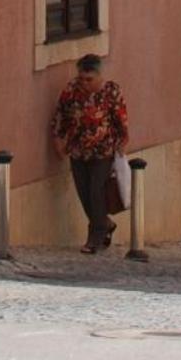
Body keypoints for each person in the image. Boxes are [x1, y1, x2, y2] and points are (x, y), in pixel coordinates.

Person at [52, 54, 129, 254]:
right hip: (78, 151)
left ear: (99, 76)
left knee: (96, 191)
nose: (85, 84)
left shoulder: (111, 91)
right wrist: (58, 140)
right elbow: (60, 115)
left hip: (103, 151)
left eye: (89, 79)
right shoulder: (71, 91)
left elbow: (121, 118)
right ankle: (105, 223)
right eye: (82, 79)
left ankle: (95, 237)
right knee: (84, 193)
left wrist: (122, 141)